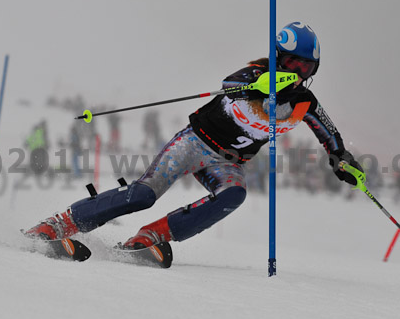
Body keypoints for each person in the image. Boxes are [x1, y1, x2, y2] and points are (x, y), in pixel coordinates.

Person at [24, 22, 364, 250]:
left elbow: (329, 136)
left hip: (227, 162)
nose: (296, 72)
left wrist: (341, 160)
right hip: (194, 143)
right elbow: (230, 84)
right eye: (290, 62)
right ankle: (60, 224)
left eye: (304, 68)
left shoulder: (305, 102)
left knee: (234, 194)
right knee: (143, 194)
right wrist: (259, 86)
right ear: (277, 57)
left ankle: (153, 236)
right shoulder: (258, 74)